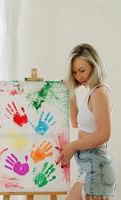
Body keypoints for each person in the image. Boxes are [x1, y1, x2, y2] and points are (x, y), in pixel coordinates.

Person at [60, 43, 116, 200]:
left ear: (94, 65)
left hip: (96, 165)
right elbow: (75, 123)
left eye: (82, 70)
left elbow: (104, 134)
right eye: (75, 72)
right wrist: (70, 91)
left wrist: (73, 146)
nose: (79, 77)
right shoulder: (92, 92)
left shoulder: (99, 92)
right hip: (89, 166)